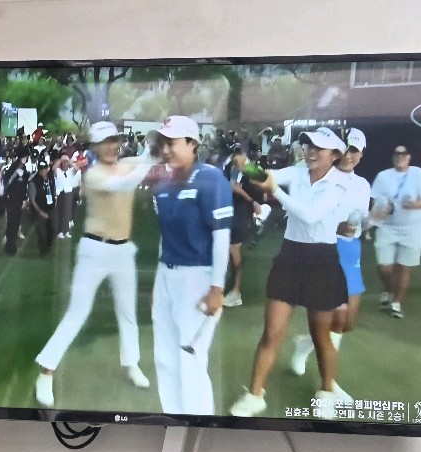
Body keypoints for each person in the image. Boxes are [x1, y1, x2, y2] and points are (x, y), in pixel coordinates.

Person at [229, 127, 350, 419]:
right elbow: (266, 176)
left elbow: (309, 216)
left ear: (335, 155)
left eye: (319, 148)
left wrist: (275, 191)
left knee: (320, 336)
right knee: (271, 332)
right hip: (289, 257)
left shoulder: (339, 185)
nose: (311, 151)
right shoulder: (297, 172)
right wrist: (247, 165)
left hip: (322, 260)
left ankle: (327, 391)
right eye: (308, 145)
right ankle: (255, 395)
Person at [34, 121, 155, 408]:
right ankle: (46, 372)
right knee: (77, 313)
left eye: (114, 141)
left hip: (123, 250)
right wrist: (151, 155)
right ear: (96, 147)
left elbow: (149, 159)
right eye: (105, 142)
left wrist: (157, 144)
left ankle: (132, 364)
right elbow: (127, 183)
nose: (111, 147)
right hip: (94, 251)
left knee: (127, 313)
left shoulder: (128, 164)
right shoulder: (94, 175)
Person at [151, 115, 233, 415]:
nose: (166, 149)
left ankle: (199, 425)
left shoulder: (211, 179)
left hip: (197, 277)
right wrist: (159, 282)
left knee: (190, 356)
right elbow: (165, 236)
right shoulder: (162, 184)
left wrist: (217, 288)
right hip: (167, 274)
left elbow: (221, 236)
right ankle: (173, 418)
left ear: (192, 144)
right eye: (163, 143)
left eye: (172, 142)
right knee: (164, 356)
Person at [289, 128, 371, 378]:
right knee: (330, 316)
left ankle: (304, 344)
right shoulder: (318, 176)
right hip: (323, 249)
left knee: (346, 322)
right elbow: (305, 216)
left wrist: (369, 222)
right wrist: (336, 227)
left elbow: (361, 221)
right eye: (345, 149)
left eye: (354, 150)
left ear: (361, 154)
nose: (348, 155)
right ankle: (328, 384)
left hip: (350, 250)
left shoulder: (362, 185)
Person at [369, 145, 421, 319]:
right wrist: (379, 213)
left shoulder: (419, 174)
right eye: (397, 154)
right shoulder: (383, 176)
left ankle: (396, 303)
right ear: (393, 157)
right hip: (387, 227)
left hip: (413, 228)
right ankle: (388, 290)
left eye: (403, 154)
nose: (400, 157)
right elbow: (375, 203)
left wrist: (414, 205)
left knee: (404, 268)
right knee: (385, 267)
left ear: (409, 156)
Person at [223, 152, 264, 307]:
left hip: (241, 215)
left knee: (234, 251)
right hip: (229, 212)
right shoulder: (228, 170)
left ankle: (236, 291)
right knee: (228, 252)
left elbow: (259, 193)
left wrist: (251, 200)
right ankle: (228, 288)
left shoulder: (251, 173)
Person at [27, 159, 57, 257]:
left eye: (45, 169)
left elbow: (53, 190)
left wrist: (55, 202)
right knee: (42, 231)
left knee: (52, 229)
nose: (43, 171)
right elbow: (32, 199)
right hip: (40, 209)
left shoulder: (50, 178)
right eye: (41, 169)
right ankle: (43, 250)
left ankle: (48, 246)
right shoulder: (34, 182)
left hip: (51, 207)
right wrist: (39, 211)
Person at [3, 154, 29, 256]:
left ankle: (12, 243)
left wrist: (24, 199)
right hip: (11, 200)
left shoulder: (25, 172)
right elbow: (7, 184)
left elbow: (24, 187)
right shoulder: (12, 171)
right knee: (11, 222)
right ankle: (9, 245)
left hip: (18, 201)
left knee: (16, 223)